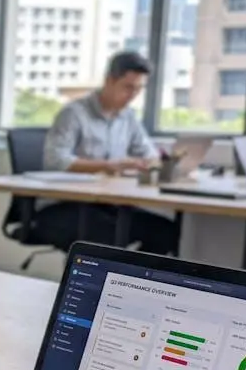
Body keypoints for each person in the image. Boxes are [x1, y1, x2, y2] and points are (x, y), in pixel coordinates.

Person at [36, 51, 179, 255]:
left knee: (164, 230)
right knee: (107, 235)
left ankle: (132, 284)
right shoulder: (74, 113)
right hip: (65, 205)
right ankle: (92, 285)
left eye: (139, 89)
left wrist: (161, 162)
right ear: (109, 80)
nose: (133, 95)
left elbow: (147, 152)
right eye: (128, 87)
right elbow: (55, 160)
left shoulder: (128, 116)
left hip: (108, 205)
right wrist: (109, 166)